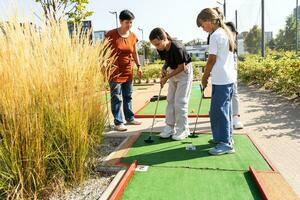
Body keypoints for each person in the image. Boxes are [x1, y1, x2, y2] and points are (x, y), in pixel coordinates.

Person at [197, 8, 237, 155]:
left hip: (221, 79)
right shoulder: (225, 32)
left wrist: (204, 77)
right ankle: (224, 138)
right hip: (227, 78)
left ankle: (225, 144)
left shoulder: (215, 35)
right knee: (223, 110)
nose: (203, 29)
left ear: (209, 21)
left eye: (202, 25)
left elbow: (211, 60)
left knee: (219, 111)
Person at [149, 28, 193, 141]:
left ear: (164, 38)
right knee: (170, 100)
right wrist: (163, 69)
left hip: (184, 72)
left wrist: (166, 77)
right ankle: (169, 127)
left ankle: (183, 129)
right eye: (155, 45)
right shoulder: (161, 48)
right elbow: (167, 61)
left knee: (180, 102)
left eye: (158, 44)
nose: (157, 47)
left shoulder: (177, 47)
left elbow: (181, 67)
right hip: (173, 70)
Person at [105, 10, 142, 132]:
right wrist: (104, 67)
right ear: (120, 21)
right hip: (114, 71)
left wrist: (139, 66)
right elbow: (103, 52)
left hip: (128, 70)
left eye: (131, 22)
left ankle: (130, 118)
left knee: (128, 96)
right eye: (127, 22)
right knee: (116, 97)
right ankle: (118, 122)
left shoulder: (133, 36)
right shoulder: (110, 34)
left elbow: (135, 52)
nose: (129, 25)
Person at [225, 21, 244, 129]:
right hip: (223, 74)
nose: (231, 34)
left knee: (234, 93)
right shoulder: (221, 41)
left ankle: (235, 118)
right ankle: (228, 118)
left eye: (232, 32)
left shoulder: (233, 46)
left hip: (232, 72)